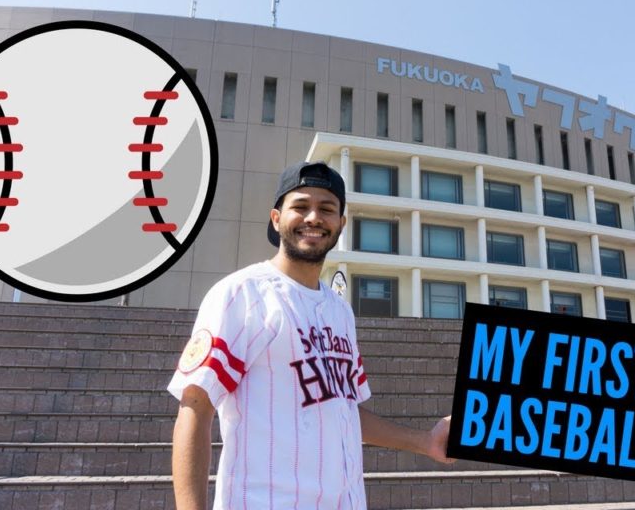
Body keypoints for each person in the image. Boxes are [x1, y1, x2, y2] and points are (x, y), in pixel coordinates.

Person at [168, 161, 453, 510]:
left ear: (341, 224)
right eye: (300, 206)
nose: (314, 217)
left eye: (327, 209)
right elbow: (196, 408)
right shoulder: (240, 294)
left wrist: (425, 442)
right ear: (276, 218)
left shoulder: (340, 311)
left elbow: (344, 411)